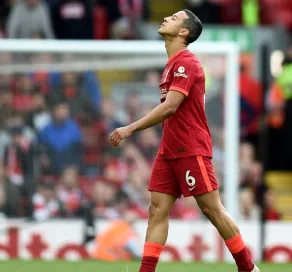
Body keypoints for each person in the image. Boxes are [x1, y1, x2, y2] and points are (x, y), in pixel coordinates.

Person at [109, 10, 260, 272]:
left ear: (183, 32)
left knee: (212, 209)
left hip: (191, 147)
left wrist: (130, 128)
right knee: (157, 210)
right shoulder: (171, 64)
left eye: (175, 17)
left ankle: (248, 268)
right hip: (169, 148)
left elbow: (170, 107)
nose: (167, 18)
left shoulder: (186, 63)